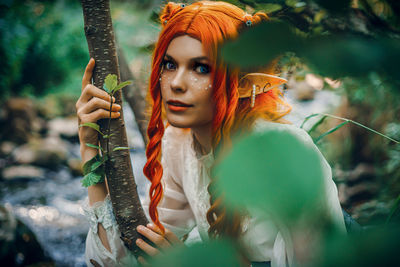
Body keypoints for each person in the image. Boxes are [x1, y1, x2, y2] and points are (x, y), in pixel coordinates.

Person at [76, 1, 346, 266]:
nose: (177, 83)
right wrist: (90, 148)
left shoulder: (285, 151)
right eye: (170, 65)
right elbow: (127, 260)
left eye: (201, 68)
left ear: (241, 82)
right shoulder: (179, 143)